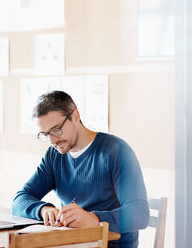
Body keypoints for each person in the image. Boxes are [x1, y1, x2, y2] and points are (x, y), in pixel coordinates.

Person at [12, 91, 149, 248]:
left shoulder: (117, 151)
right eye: (45, 134)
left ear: (75, 116)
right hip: (71, 242)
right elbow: (20, 200)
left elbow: (140, 213)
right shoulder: (54, 155)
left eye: (56, 129)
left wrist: (94, 219)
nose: (52, 140)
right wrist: (43, 209)